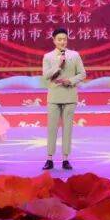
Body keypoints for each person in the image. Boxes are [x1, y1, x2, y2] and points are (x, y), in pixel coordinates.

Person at [41, 28, 86, 170]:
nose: (62, 42)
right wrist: (58, 65)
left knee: (67, 128)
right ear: (54, 40)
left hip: (70, 95)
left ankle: (65, 159)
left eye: (64, 39)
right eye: (59, 39)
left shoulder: (74, 55)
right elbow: (46, 76)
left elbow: (82, 74)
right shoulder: (48, 57)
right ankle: (49, 158)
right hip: (54, 96)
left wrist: (70, 81)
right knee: (52, 128)